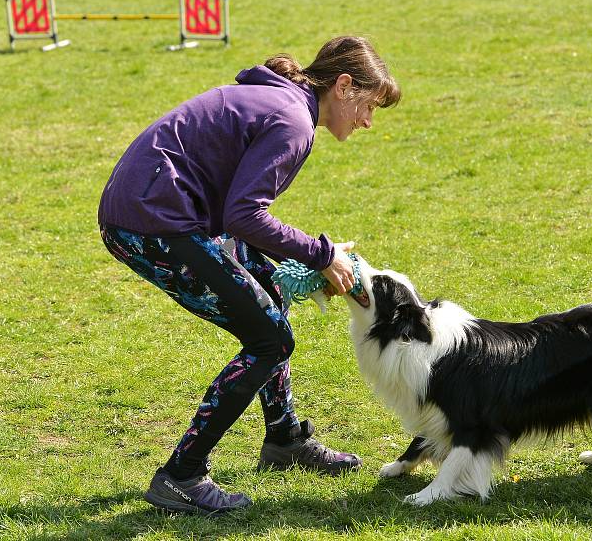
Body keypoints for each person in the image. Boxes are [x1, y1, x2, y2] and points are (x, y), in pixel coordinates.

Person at [98, 36, 401, 516]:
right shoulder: (294, 122)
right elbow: (243, 215)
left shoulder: (285, 102)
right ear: (343, 86)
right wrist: (321, 255)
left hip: (155, 213)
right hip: (154, 224)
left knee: (271, 296)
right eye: (368, 106)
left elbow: (234, 209)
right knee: (270, 340)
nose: (367, 121)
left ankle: (284, 440)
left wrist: (306, 259)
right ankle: (181, 476)